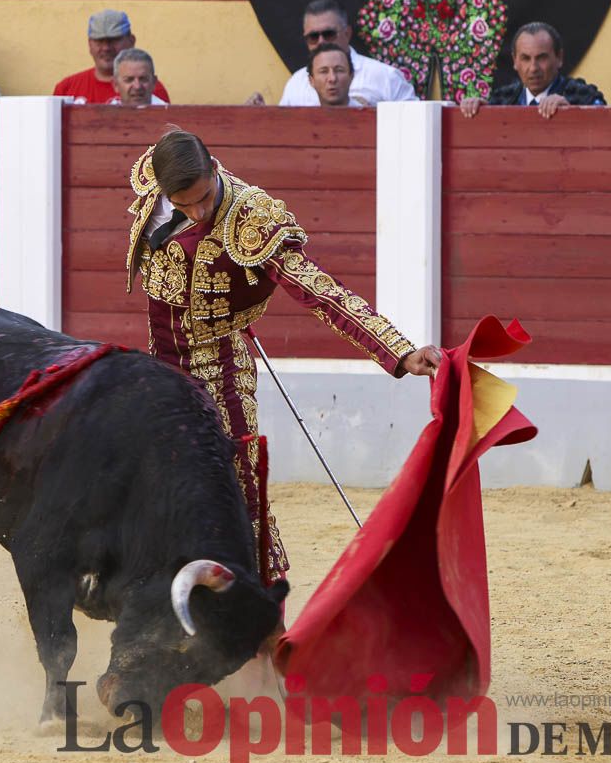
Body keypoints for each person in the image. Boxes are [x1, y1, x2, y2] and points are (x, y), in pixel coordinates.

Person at [124, 129, 439, 584]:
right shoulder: (158, 183)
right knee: (158, 482)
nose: (197, 212)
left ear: (216, 171)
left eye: (204, 199)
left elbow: (320, 291)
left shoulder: (250, 216)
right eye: (183, 204)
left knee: (243, 494)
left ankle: (265, 617)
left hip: (221, 371)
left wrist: (399, 350)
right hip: (161, 368)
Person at [259, 0, 414, 107]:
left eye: (328, 34)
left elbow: (416, 126)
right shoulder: (297, 82)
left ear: (347, 34)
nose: (321, 42)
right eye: (313, 37)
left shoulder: (386, 77)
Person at [460, 22, 605, 119]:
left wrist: (573, 113)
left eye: (541, 58)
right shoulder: (500, 100)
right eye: (525, 58)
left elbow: (605, 125)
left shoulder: (584, 97)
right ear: (515, 61)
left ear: (559, 58)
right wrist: (478, 113)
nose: (533, 68)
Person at [53, 10, 170, 105]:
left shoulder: (151, 90)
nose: (106, 48)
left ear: (131, 41)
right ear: (89, 44)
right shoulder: (66, 89)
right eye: (99, 41)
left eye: (113, 40)